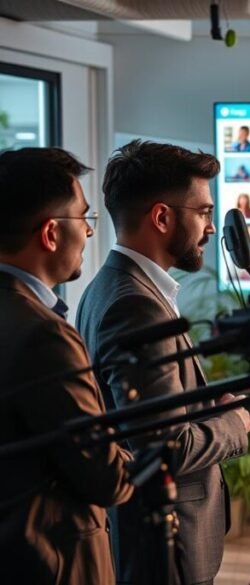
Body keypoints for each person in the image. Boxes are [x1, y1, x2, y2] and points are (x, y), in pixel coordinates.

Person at [77, 140, 250, 585]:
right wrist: (236, 422)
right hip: (164, 547)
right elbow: (165, 447)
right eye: (204, 212)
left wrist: (210, 406)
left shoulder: (116, 287)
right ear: (162, 217)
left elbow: (151, 420)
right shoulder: (134, 304)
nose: (212, 228)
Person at [0, 147, 134, 585]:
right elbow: (104, 478)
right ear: (51, 233)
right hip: (50, 563)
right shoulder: (44, 335)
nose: (91, 233)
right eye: (84, 219)